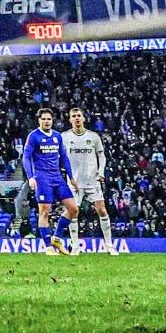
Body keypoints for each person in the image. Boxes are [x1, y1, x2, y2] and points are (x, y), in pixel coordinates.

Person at [23, 108, 78, 255]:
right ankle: (48, 247)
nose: (46, 121)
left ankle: (57, 237)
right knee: (44, 211)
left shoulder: (57, 136)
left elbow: (64, 157)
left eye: (49, 119)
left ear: (52, 120)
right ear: (39, 120)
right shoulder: (33, 136)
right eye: (44, 119)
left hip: (57, 177)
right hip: (42, 178)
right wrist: (31, 177)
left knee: (73, 209)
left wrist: (71, 177)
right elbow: (26, 157)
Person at [62, 107, 115, 254]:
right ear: (70, 119)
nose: (77, 118)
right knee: (73, 212)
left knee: (102, 210)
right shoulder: (64, 137)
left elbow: (101, 156)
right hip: (74, 182)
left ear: (83, 118)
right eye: (74, 116)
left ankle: (109, 246)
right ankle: (75, 247)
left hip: (92, 180)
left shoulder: (93, 137)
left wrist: (101, 172)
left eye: (79, 115)